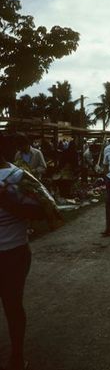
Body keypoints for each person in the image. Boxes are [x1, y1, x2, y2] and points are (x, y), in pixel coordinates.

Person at [0, 134, 39, 370]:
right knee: (13, 305)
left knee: (13, 306)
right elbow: (40, 210)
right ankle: (16, 356)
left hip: (14, 251)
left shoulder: (18, 175)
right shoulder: (19, 175)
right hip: (16, 250)